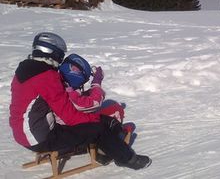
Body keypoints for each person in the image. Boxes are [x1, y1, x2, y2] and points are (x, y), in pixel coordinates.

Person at [9, 32, 151, 170]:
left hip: (23, 133)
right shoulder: (47, 77)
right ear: (52, 53)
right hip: (40, 138)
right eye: (60, 56)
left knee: (95, 122)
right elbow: (69, 116)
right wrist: (96, 119)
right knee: (99, 129)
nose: (60, 60)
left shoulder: (24, 70)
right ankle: (127, 159)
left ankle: (106, 146)